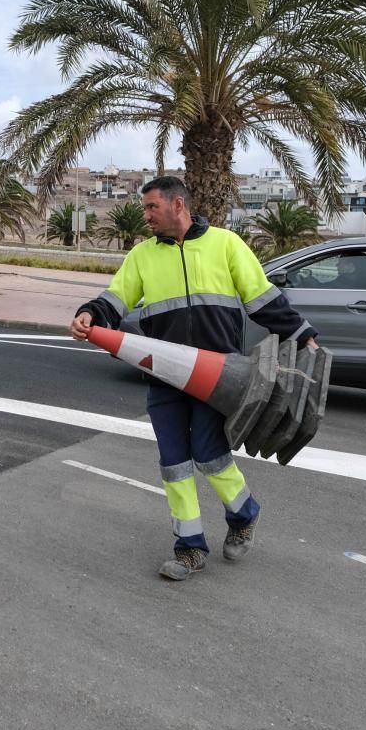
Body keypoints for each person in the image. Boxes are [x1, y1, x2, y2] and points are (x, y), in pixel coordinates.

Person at [71, 177, 318, 581]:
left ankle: (243, 513)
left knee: (209, 455)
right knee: (174, 463)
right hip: (164, 374)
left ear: (178, 204)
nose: (145, 215)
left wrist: (302, 333)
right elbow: (116, 299)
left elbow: (262, 297)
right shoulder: (142, 256)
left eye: (152, 207)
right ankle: (189, 548)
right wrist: (91, 314)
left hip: (217, 375)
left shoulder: (225, 244)